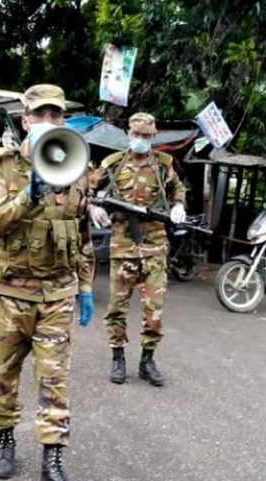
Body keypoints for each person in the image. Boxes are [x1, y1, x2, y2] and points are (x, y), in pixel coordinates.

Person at [0, 84, 95, 481]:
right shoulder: (4, 165)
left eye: (56, 115)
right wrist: (27, 195)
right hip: (11, 291)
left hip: (57, 294)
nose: (49, 121)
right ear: (25, 120)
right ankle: (5, 441)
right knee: (4, 373)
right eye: (40, 114)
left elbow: (83, 234)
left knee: (54, 380)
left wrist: (86, 287)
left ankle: (52, 465)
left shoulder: (77, 165)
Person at [90, 112, 186, 386]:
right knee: (117, 308)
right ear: (129, 135)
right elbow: (88, 188)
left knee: (154, 310)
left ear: (153, 137)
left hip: (155, 245)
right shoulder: (113, 164)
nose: (141, 140)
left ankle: (147, 361)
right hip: (123, 245)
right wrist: (94, 207)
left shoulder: (163, 165)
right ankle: (118, 358)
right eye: (136, 135)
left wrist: (179, 205)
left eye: (146, 136)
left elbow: (177, 189)